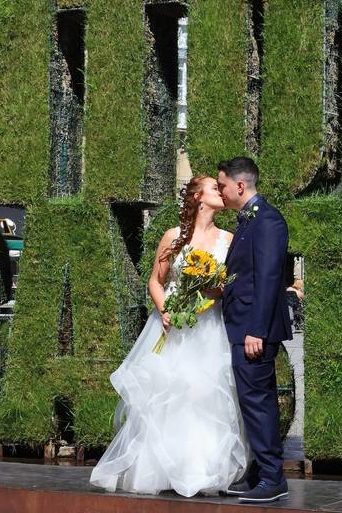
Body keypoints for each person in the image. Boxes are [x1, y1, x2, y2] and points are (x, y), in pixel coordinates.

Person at [89, 175, 249, 496]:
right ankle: (162, 470)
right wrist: (165, 310)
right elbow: (155, 281)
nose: (221, 192)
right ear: (197, 198)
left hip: (207, 326)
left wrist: (209, 290)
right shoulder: (173, 237)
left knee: (205, 396)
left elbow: (228, 287)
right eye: (214, 188)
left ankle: (201, 471)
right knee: (167, 396)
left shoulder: (228, 240)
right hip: (170, 326)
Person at [217, 157, 293, 505]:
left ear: (240, 186)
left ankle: (273, 476)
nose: (220, 191)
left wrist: (256, 331)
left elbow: (268, 279)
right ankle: (262, 471)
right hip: (243, 326)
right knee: (252, 401)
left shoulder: (268, 221)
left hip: (253, 329)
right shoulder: (249, 220)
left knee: (259, 401)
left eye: (222, 185)